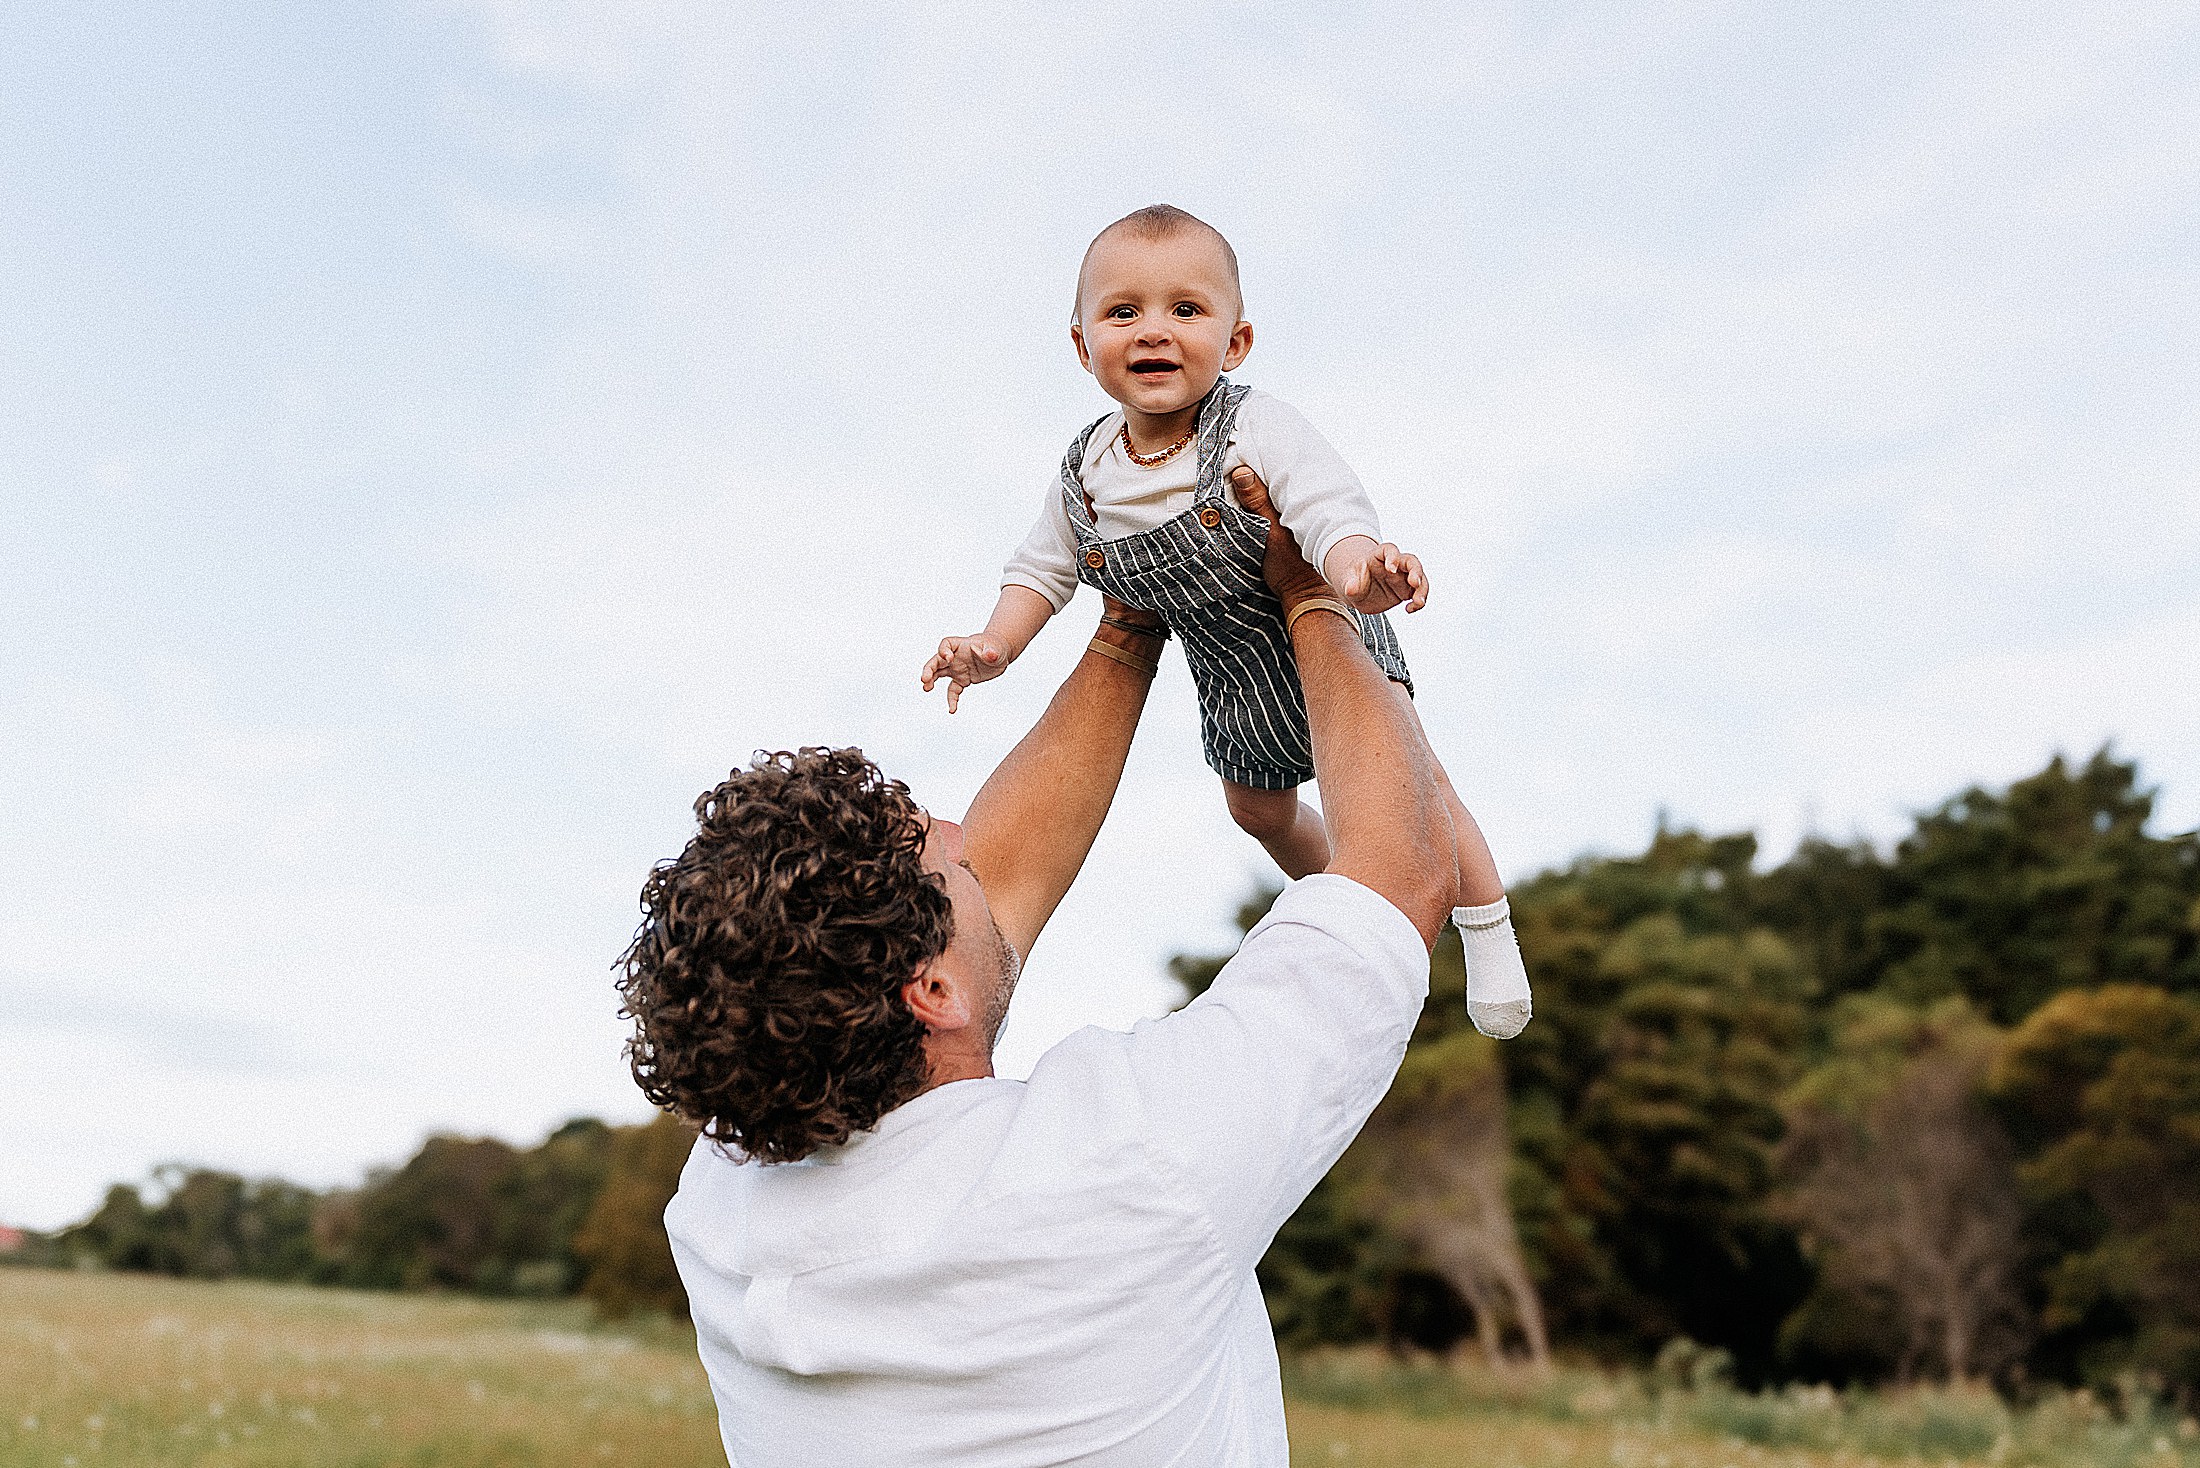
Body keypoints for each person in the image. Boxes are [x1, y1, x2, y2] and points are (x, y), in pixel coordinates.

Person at [624, 473, 1462, 1466]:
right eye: (941, 851)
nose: (958, 828)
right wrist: (1309, 594)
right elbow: (1401, 873)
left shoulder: (722, 1205)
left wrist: (1130, 612)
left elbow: (994, 890)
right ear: (929, 994)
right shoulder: (1122, 1168)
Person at [921, 203, 1529, 1038]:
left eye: (1186, 310)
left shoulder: (1252, 424)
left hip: (1322, 626)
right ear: (1080, 344)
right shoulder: (1088, 467)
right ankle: (1362, 910)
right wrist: (996, 643)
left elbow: (1324, 502)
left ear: (1235, 343)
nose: (1153, 332)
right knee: (1254, 808)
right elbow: (1042, 570)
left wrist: (1358, 567)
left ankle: (1486, 924)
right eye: (1123, 311)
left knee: (1414, 788)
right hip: (1231, 673)